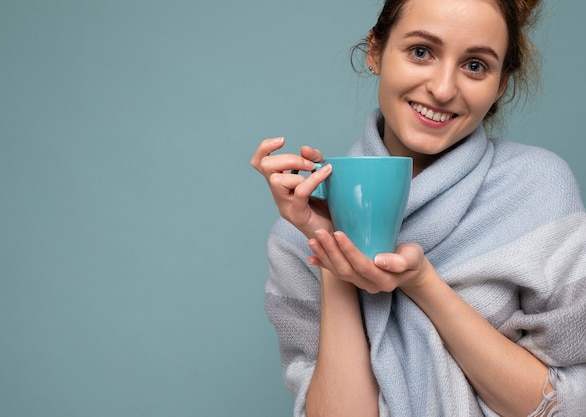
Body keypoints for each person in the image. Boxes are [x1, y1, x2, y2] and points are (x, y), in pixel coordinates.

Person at [251, 0, 586, 416]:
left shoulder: (538, 191)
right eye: (421, 52)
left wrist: (422, 283)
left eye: (476, 65)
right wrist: (330, 244)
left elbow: (567, 404)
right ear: (375, 51)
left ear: (500, 85)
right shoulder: (298, 232)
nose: (444, 89)